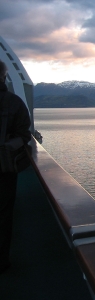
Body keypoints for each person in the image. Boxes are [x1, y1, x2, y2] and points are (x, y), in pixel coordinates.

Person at [0, 59, 31, 273]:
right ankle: (2, 261)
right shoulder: (13, 102)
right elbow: (24, 134)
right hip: (3, 167)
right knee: (3, 213)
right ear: (4, 76)